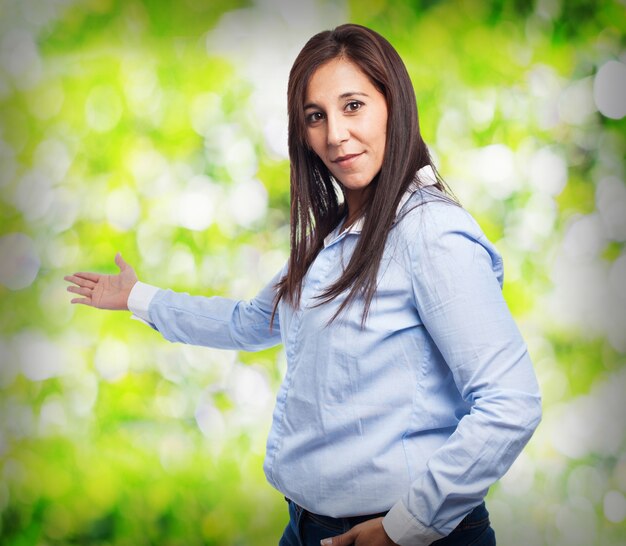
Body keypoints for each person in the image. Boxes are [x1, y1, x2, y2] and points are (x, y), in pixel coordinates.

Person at [65, 24, 541, 546]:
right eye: (316, 116)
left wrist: (402, 528)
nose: (335, 134)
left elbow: (509, 401)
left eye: (353, 105)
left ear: (394, 106)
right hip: (306, 529)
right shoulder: (336, 238)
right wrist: (137, 297)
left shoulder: (429, 232)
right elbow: (247, 323)